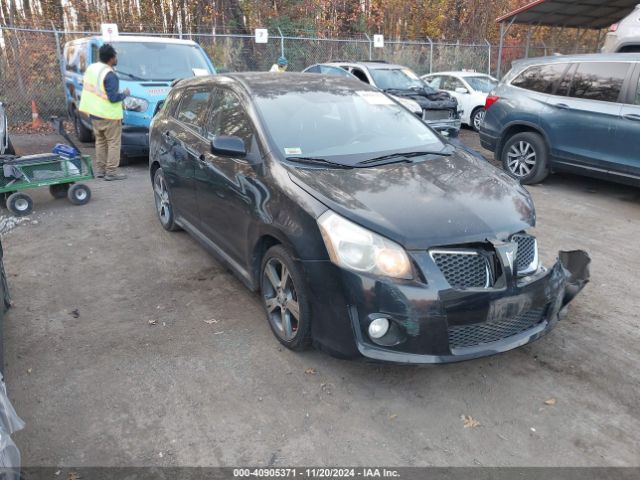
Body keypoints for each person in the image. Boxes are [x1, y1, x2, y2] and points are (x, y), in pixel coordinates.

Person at [78, 44, 130, 181]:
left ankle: (100, 170)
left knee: (100, 141)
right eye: (115, 56)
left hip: (94, 114)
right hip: (109, 115)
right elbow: (113, 98)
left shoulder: (92, 68)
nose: (116, 58)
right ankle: (111, 172)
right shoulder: (110, 74)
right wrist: (124, 94)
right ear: (111, 58)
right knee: (113, 143)